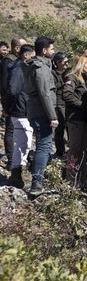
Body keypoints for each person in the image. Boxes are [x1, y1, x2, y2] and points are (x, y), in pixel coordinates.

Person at [23, 36, 58, 195]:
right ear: (44, 50)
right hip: (43, 113)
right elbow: (44, 93)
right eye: (51, 48)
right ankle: (37, 184)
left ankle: (38, 181)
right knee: (44, 146)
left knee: (42, 145)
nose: (53, 51)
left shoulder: (34, 65)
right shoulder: (41, 68)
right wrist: (52, 116)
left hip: (36, 110)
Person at [63, 55, 87, 191]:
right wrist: (81, 104)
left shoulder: (86, 80)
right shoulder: (72, 78)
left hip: (84, 119)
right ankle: (72, 180)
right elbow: (67, 94)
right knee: (75, 150)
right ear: (81, 65)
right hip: (75, 119)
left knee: (83, 150)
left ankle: (83, 179)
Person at [5, 45, 35, 189]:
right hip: (21, 111)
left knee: (22, 142)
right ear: (26, 55)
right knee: (24, 142)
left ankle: (16, 175)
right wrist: (11, 108)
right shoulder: (19, 69)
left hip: (21, 110)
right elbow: (13, 91)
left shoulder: (20, 67)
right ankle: (17, 175)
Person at [1, 38, 26, 166]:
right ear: (17, 48)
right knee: (10, 130)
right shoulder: (8, 61)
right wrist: (6, 106)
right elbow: (5, 86)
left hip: (18, 101)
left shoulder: (16, 61)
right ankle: (11, 159)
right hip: (11, 102)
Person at [52, 52, 68, 158]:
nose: (67, 64)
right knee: (59, 129)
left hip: (67, 103)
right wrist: (64, 84)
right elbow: (54, 87)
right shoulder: (53, 73)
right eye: (65, 62)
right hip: (59, 103)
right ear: (58, 62)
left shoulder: (68, 72)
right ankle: (60, 151)